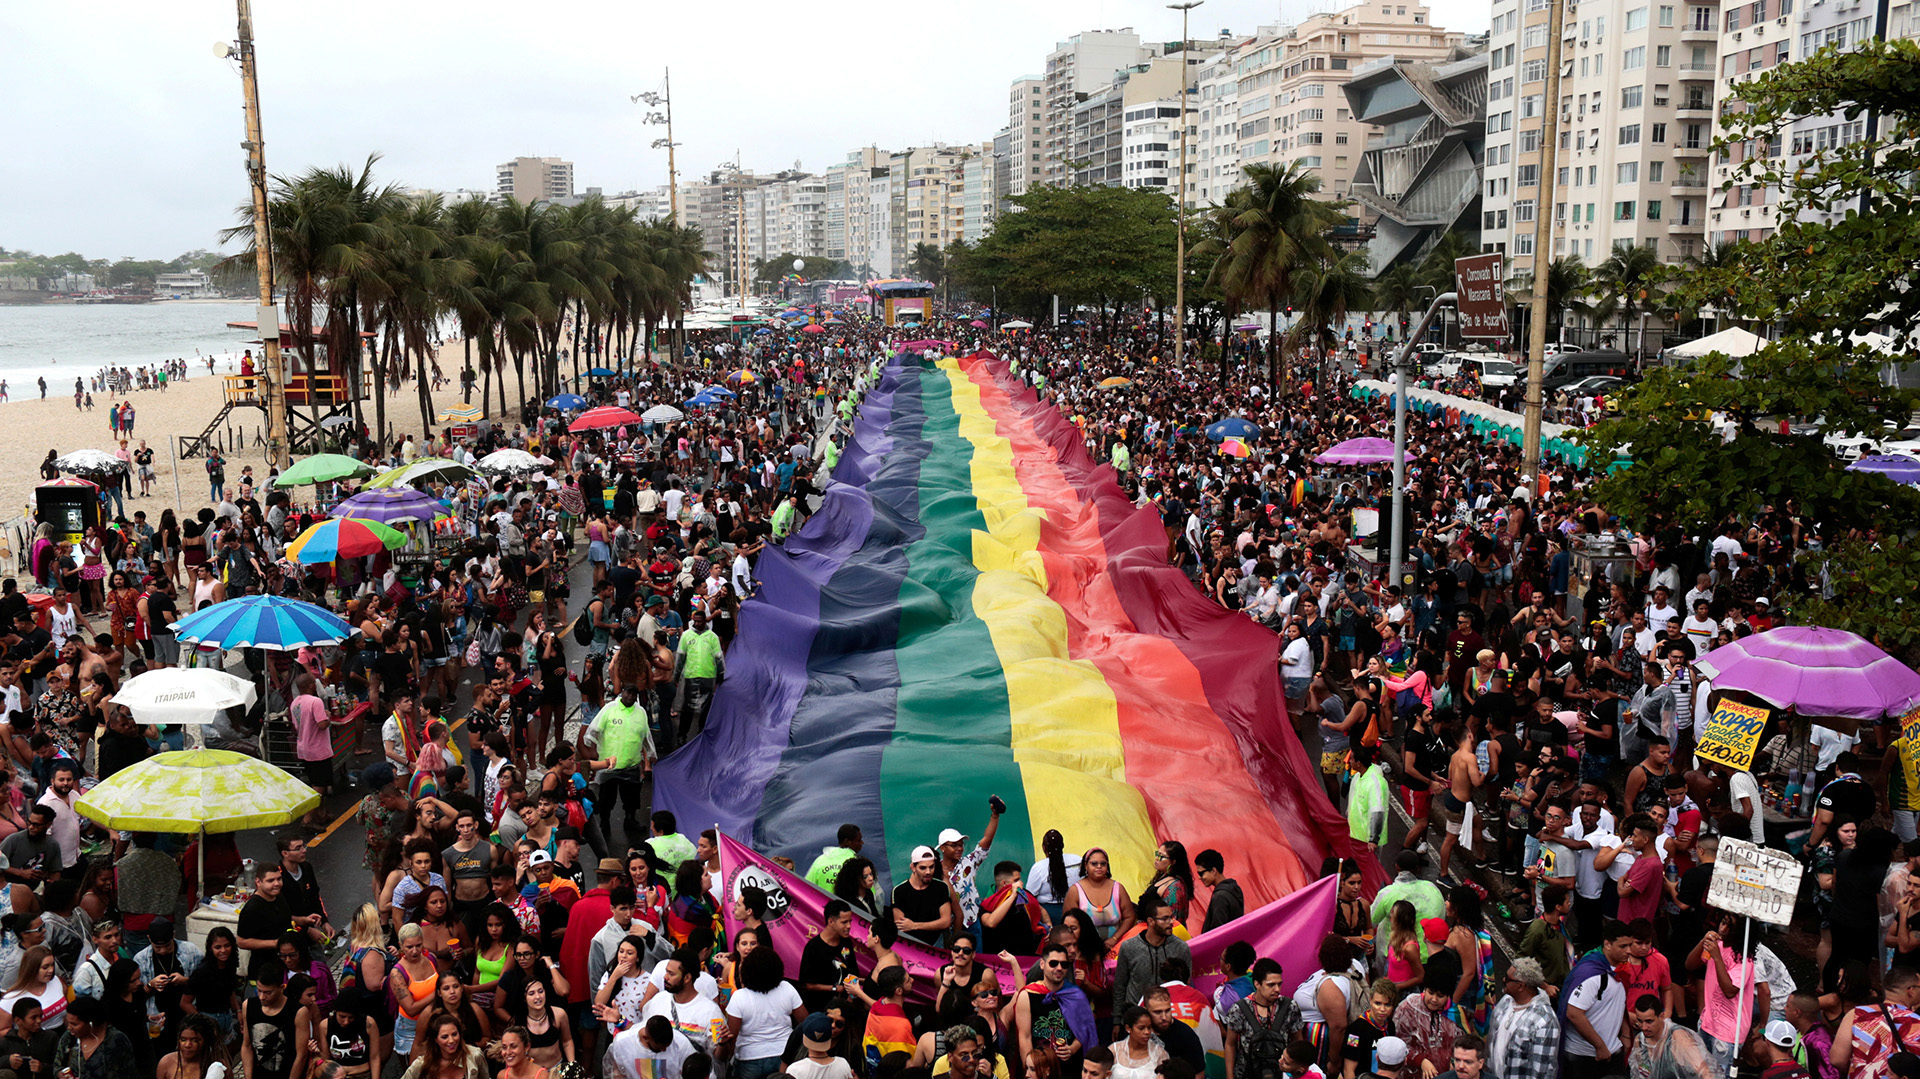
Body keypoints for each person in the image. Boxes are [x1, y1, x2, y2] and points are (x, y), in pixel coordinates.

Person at [1562, 920, 1635, 1079]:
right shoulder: (1592, 974)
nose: (1629, 951)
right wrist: (1600, 1047)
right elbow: (1574, 1013)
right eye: (1623, 946)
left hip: (1611, 1051)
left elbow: (1617, 1003)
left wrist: (1625, 1034)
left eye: (1630, 945)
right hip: (1586, 1057)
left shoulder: (1618, 970)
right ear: (1607, 944)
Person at [724, 945, 805, 1079]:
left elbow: (732, 1036)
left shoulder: (739, 997)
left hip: (749, 1060)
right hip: (784, 1055)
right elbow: (805, 1021)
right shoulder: (787, 988)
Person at [1112, 894, 1190, 1031]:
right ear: (1151, 921)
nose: (1171, 922)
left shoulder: (1181, 948)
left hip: (1169, 1022)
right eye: (1165, 919)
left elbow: (1187, 986)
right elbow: (1120, 985)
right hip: (1136, 1022)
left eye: (1171, 917)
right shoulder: (1129, 947)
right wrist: (1117, 1021)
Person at [1221, 958, 1300, 1079]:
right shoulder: (1239, 1009)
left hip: (1281, 1073)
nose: (1277, 989)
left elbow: (1298, 1041)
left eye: (1279, 984)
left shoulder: (1290, 1007)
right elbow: (1230, 1044)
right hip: (1247, 1073)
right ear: (1257, 984)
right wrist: (1229, 1076)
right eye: (1271, 985)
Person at [1485, 958, 1558, 1079]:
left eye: (1507, 979)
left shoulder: (1544, 1021)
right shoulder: (1506, 1002)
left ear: (1520, 986)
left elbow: (1542, 1071)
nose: (1503, 980)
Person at [240, 959, 307, 1079]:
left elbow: (301, 1055)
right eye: (259, 991)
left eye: (268, 992)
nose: (262, 997)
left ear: (281, 988)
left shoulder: (298, 1012)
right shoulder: (249, 1006)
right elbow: (247, 1045)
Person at [1626, 994, 1715, 1079]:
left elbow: (1705, 1072)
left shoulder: (1678, 1038)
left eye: (1649, 1021)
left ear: (1661, 1016)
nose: (1644, 1027)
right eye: (1640, 1021)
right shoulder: (1640, 1041)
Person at [1108, 1006, 1168, 1079]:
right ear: (1128, 1028)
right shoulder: (1114, 1051)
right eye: (1141, 1028)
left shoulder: (1159, 1054)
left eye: (1149, 1027)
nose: (1147, 1032)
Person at [1195, 850, 1244, 932]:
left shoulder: (1220, 897)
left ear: (1213, 871)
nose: (1200, 878)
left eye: (1201, 873)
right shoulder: (1234, 889)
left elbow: (1218, 932)